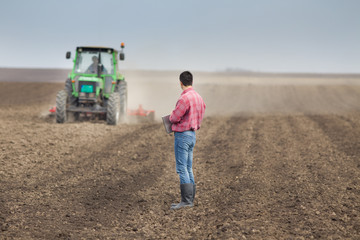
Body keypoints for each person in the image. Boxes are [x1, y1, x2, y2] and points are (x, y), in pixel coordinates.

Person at [169, 71, 206, 210]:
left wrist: (172, 116)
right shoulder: (198, 97)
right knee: (189, 167)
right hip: (192, 135)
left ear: (180, 83)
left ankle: (186, 201)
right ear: (192, 81)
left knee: (181, 168)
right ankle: (190, 199)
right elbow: (201, 111)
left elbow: (174, 118)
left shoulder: (184, 98)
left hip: (182, 136)